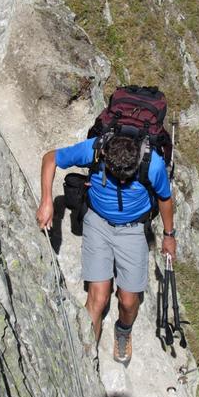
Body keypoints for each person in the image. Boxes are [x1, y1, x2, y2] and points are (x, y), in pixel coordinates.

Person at [36, 135, 177, 366]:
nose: (121, 181)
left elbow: (164, 198)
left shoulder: (153, 164)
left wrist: (169, 235)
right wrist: (46, 201)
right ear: (105, 157)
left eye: (127, 177)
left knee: (128, 302)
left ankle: (123, 330)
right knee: (97, 298)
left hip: (133, 229)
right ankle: (87, 361)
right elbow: (50, 158)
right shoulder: (94, 149)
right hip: (98, 224)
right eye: (116, 175)